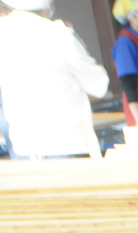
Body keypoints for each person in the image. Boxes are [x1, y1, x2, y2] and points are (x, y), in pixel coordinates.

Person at [0, 0, 108, 158]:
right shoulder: (59, 35)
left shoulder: (4, 34)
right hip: (67, 145)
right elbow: (100, 85)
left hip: (24, 148)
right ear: (46, 6)